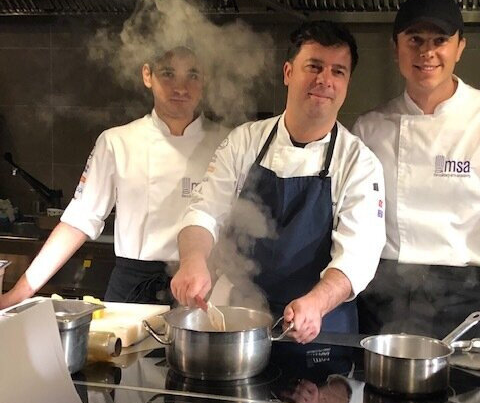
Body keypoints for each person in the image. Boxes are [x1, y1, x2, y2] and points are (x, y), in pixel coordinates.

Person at [171, 21, 386, 344]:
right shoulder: (245, 141)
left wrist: (316, 302)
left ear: (347, 82)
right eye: (313, 66)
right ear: (288, 72)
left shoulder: (359, 162)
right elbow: (204, 211)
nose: (325, 80)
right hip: (237, 317)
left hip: (321, 324)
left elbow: (359, 255)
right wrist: (192, 260)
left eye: (338, 71)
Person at [0, 46, 228, 308]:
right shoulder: (117, 142)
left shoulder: (226, 142)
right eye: (168, 74)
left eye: (192, 75)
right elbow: (78, 221)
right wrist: (16, 294)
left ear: (205, 80)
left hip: (201, 289)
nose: (180, 88)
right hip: (131, 292)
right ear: (147, 75)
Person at [352, 0, 480, 338]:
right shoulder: (369, 128)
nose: (427, 52)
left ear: (460, 48)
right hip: (382, 297)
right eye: (415, 40)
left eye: (440, 40)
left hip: (465, 300)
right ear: (396, 49)